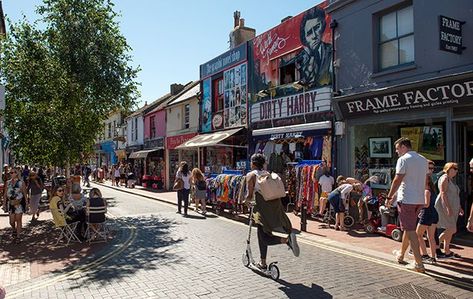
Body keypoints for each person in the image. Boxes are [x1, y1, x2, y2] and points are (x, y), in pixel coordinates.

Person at [245, 154, 299, 270]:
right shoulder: (267, 174)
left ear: (253, 163)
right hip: (275, 204)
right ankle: (263, 262)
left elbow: (249, 195)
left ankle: (286, 240)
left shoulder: (251, 175)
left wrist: (245, 201)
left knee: (263, 237)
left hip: (262, 206)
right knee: (266, 233)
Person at [387, 137, 428, 273]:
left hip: (407, 200)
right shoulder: (423, 159)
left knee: (411, 231)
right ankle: (401, 254)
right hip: (419, 199)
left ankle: (419, 263)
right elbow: (425, 180)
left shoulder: (403, 159)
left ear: (404, 147)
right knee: (408, 227)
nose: (397, 152)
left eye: (398, 149)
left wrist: (389, 196)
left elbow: (397, 179)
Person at [295, 6, 332, 88]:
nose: (314, 35)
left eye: (316, 28)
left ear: (322, 26)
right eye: (309, 33)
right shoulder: (299, 59)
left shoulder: (332, 50)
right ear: (304, 38)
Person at [435, 162, 463, 258]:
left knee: (449, 229)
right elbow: (443, 193)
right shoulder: (445, 178)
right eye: (454, 169)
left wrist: (459, 207)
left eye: (456, 169)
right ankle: (436, 243)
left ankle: (447, 250)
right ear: (448, 169)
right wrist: (447, 208)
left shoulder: (451, 180)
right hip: (446, 207)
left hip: (454, 208)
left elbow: (455, 196)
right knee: (452, 229)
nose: (456, 171)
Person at [415, 160, 439, 264]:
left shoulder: (426, 191)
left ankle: (425, 255)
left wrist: (418, 206)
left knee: (418, 234)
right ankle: (433, 257)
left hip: (426, 215)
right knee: (431, 237)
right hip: (434, 214)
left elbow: (426, 204)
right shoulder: (432, 190)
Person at [3, 168, 28, 243]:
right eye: (11, 172)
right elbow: (5, 194)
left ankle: (18, 236)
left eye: (14, 172)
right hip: (10, 204)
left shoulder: (21, 182)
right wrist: (4, 204)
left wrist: (27, 204)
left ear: (17, 173)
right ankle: (14, 229)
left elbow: (25, 194)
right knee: (11, 221)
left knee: (19, 220)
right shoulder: (8, 183)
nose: (12, 174)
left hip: (19, 204)